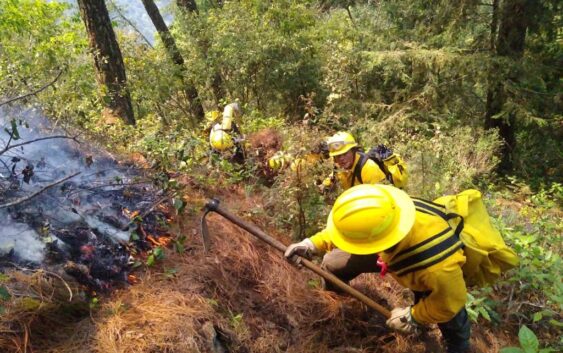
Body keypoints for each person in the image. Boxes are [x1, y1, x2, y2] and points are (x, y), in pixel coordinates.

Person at [284, 184, 471, 353]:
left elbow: (450, 302)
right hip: (390, 250)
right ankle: (341, 307)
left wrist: (414, 316)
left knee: (451, 318)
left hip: (422, 265)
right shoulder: (384, 212)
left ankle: (458, 347)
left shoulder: (436, 267)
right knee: (333, 263)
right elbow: (353, 231)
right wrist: (311, 244)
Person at [323, 132, 402, 191]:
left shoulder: (369, 168)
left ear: (353, 151)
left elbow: (382, 195)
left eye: (345, 154)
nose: (341, 159)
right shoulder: (339, 167)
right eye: (338, 156)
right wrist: (323, 186)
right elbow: (332, 178)